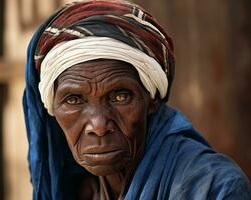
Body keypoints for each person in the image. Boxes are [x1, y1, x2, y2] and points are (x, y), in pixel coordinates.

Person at [23, 0, 251, 199]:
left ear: (152, 99)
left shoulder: (213, 188)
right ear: (51, 106)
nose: (99, 125)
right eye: (73, 100)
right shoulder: (72, 187)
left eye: (121, 96)